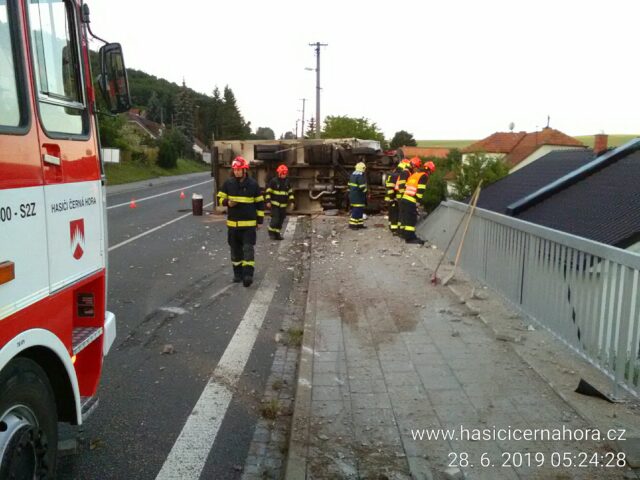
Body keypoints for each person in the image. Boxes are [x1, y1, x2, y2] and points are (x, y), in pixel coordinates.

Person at [217, 156, 265, 287]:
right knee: (235, 251)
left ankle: (248, 275)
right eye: (235, 170)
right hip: (233, 226)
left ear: (244, 170)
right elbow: (219, 198)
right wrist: (227, 202)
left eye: (239, 169)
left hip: (248, 226)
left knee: (248, 250)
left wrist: (260, 221)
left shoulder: (253, 185)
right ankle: (237, 274)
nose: (237, 172)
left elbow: (260, 203)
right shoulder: (228, 184)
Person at [399, 159, 436, 244]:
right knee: (411, 219)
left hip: (404, 198)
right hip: (411, 200)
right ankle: (410, 238)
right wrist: (418, 202)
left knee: (405, 218)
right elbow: (420, 190)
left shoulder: (415, 174)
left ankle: (404, 235)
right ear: (430, 170)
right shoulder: (424, 176)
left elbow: (406, 186)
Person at [265, 164, 294, 240]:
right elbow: (268, 192)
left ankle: (277, 233)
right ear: (279, 173)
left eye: (285, 173)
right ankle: (271, 231)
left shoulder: (287, 182)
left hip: (283, 206)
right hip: (275, 205)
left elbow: (290, 192)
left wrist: (292, 201)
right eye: (283, 173)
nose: (284, 175)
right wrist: (268, 201)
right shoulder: (274, 181)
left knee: (281, 220)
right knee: (276, 219)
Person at [386, 158, 410, 235]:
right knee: (396, 214)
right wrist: (393, 198)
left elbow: (389, 187)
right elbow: (392, 188)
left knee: (392, 214)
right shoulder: (397, 175)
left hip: (391, 198)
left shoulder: (392, 174)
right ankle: (395, 230)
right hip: (394, 198)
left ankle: (393, 228)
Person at [394, 157, 414, 234]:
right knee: (402, 212)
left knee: (401, 212)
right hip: (401, 195)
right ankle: (401, 230)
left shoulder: (405, 172)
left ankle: (400, 230)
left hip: (400, 194)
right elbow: (402, 185)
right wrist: (403, 195)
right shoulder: (406, 172)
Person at [348, 161, 368, 229]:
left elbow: (349, 185)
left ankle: (359, 224)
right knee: (356, 211)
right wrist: (366, 192)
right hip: (358, 197)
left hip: (353, 196)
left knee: (359, 211)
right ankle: (352, 225)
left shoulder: (352, 175)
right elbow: (362, 187)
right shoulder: (360, 177)